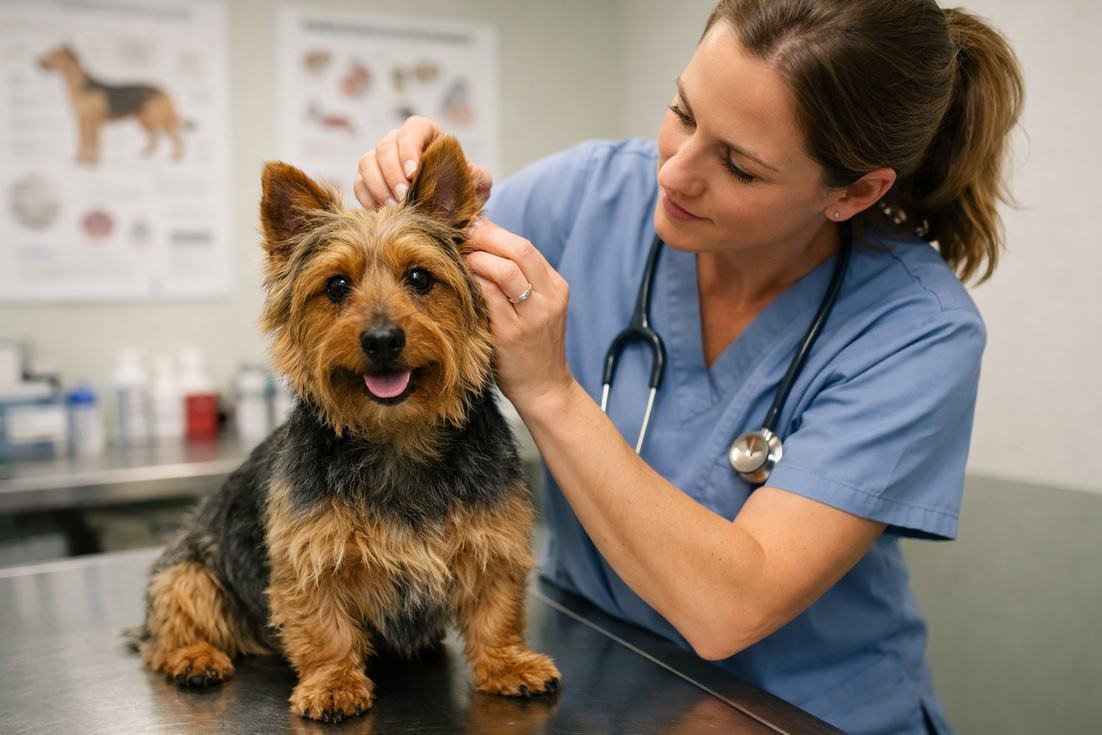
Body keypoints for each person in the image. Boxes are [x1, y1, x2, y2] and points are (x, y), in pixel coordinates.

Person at [354, 1, 1023, 732]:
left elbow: (729, 609)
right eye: (683, 111)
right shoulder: (589, 196)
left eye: (739, 164)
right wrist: (414, 206)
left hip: (806, 712)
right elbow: (394, 312)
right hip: (606, 683)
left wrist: (548, 390)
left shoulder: (916, 331)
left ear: (854, 192)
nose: (675, 171)